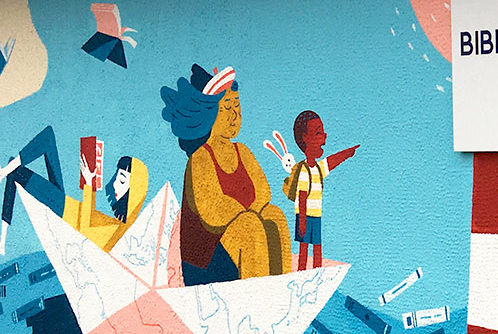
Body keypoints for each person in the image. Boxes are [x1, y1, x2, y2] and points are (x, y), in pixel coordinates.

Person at [161, 64, 290, 282]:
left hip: (240, 237)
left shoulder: (242, 151)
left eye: (237, 105)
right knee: (249, 226)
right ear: (210, 114)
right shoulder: (200, 158)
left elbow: (263, 192)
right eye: (227, 107)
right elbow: (212, 212)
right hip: (206, 260)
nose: (234, 115)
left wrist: (252, 213)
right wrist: (247, 215)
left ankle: (282, 286)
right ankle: (255, 293)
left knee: (274, 216)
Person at [0, 127, 148, 254]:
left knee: (16, 167)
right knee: (46, 140)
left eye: (121, 180)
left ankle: (3, 231)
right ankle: (3, 233)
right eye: (117, 177)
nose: (115, 184)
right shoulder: (121, 227)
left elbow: (85, 227)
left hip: (63, 210)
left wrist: (89, 184)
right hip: (67, 204)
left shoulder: (119, 234)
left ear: (134, 193)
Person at [283, 110, 358, 270]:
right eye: (318, 132)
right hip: (304, 217)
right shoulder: (304, 170)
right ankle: (302, 272)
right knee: (304, 247)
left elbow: (331, 161)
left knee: (317, 246)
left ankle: (317, 271)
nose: (324, 136)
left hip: (316, 215)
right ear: (305, 138)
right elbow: (302, 196)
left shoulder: (318, 168)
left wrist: (347, 153)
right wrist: (302, 223)